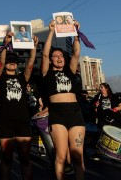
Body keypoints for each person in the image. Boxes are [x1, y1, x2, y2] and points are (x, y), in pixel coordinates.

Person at [41, 19, 85, 180]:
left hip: (75, 113)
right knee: (60, 156)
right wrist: (51, 30)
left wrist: (76, 34)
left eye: (61, 56)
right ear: (51, 60)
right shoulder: (47, 74)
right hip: (57, 115)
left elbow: (76, 53)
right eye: (55, 56)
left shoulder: (70, 71)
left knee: (78, 157)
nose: (59, 58)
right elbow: (44, 54)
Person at [0, 32, 38, 180]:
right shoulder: (0, 77)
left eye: (14, 61)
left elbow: (31, 62)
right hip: (5, 122)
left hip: (23, 122)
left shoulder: (22, 78)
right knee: (6, 158)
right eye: (9, 60)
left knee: (25, 158)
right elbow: (0, 63)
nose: (12, 62)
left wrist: (34, 47)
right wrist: (5, 44)